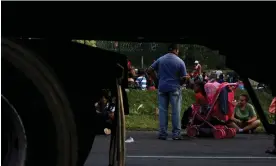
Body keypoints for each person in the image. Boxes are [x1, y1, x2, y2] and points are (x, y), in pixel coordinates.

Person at [147, 43, 189, 140]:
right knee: (175, 111)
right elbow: (183, 78)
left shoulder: (161, 59)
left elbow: (149, 70)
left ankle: (162, 133)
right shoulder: (180, 61)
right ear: (176, 50)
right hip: (175, 88)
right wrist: (183, 81)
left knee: (162, 111)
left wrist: (157, 80)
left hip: (162, 87)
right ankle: (176, 134)